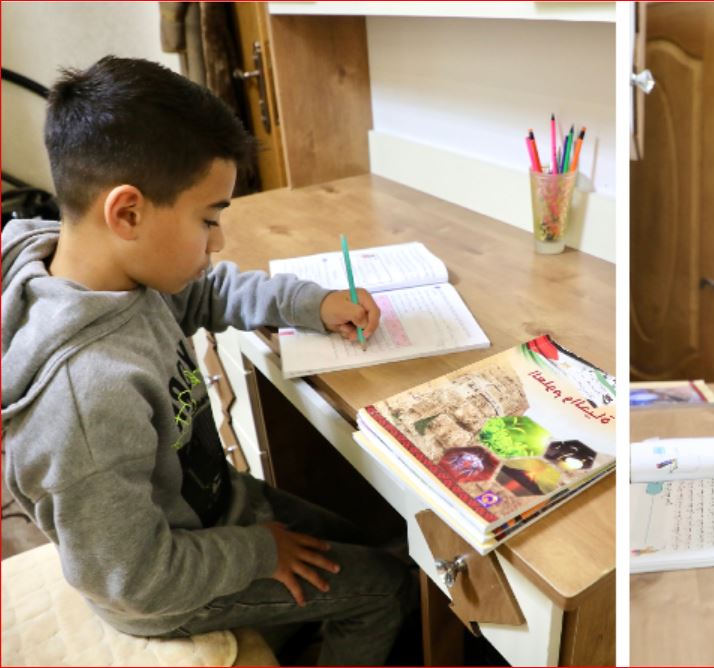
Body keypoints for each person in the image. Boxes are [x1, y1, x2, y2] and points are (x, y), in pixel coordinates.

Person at [2, 56, 410, 664]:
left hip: (212, 509)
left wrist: (308, 301)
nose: (217, 242)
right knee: (387, 587)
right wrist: (260, 553)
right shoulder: (87, 398)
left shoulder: (113, 271)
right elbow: (135, 580)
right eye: (209, 219)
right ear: (128, 213)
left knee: (369, 534)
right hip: (169, 585)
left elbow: (209, 291)